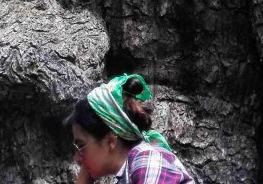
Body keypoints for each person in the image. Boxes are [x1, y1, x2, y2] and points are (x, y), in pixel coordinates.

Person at [65, 73, 194, 184]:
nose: (77, 158)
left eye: (81, 146)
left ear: (110, 141)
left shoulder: (146, 161)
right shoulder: (131, 171)